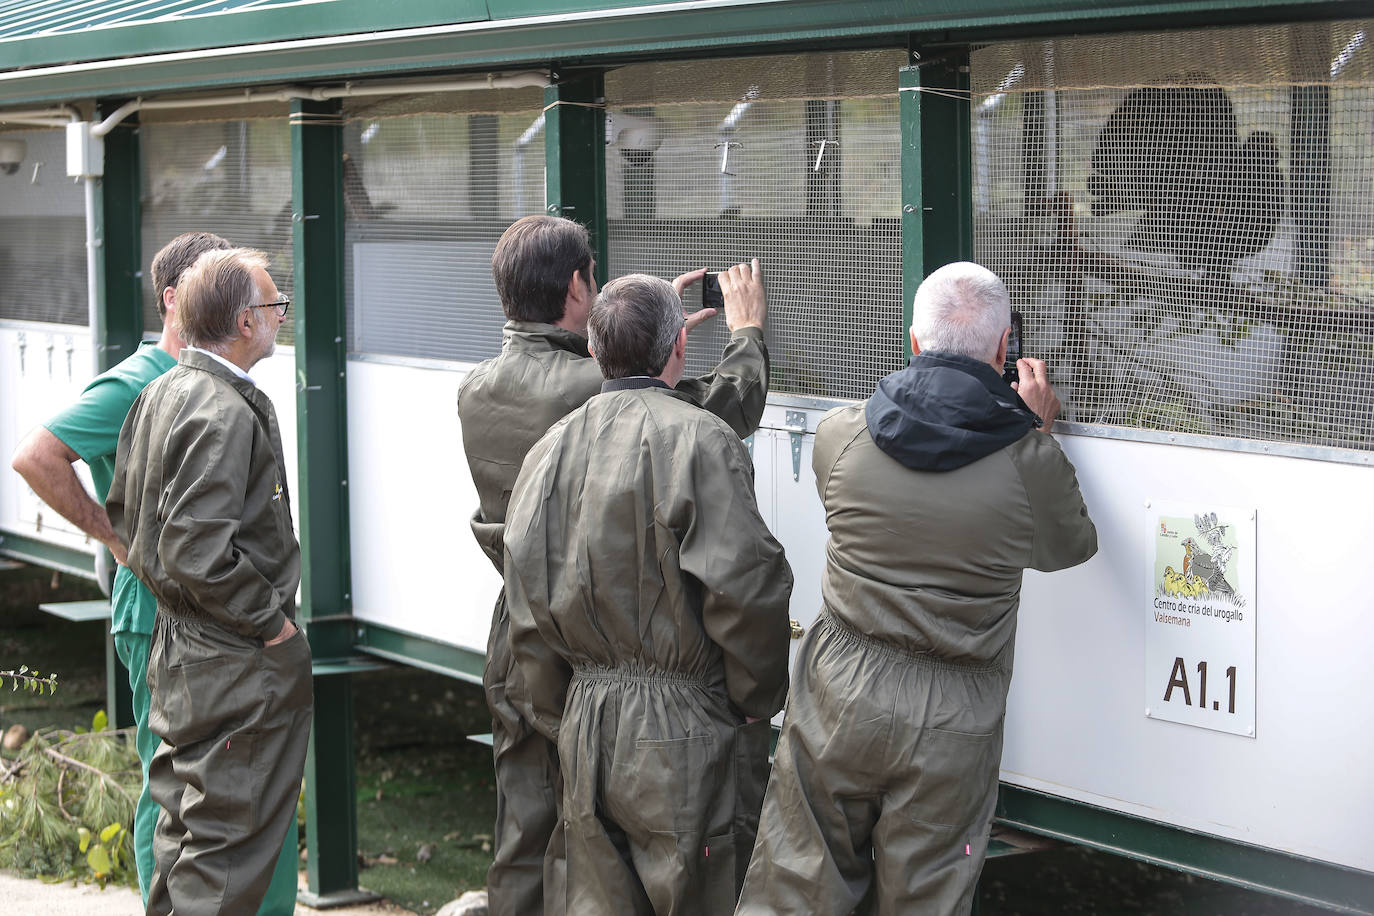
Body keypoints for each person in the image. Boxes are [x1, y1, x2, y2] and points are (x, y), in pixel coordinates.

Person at [736, 261, 1098, 916]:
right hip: (953, 719)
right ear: (1004, 348)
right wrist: (1035, 429)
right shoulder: (1028, 464)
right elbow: (1067, 546)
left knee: (796, 884)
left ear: (913, 341)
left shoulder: (841, 435)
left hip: (838, 690)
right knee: (927, 896)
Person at [456, 214, 772, 916]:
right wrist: (742, 334)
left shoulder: (477, 386)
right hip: (602, 633)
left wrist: (636, 324)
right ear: (577, 286)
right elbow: (711, 412)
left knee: (531, 831)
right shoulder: (586, 390)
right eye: (595, 280)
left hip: (523, 630)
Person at [9, 232, 301, 914]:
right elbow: (35, 456)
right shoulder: (141, 385)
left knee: (221, 789)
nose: (274, 312)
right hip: (171, 616)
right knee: (176, 787)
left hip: (203, 615)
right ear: (180, 299)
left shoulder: (191, 387)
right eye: (264, 301)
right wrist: (121, 545)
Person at [106, 248, 310, 916]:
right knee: (225, 846)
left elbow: (124, 514)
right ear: (245, 322)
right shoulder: (222, 408)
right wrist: (273, 627)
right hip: (232, 657)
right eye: (276, 305)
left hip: (181, 647)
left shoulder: (162, 390)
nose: (282, 316)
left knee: (186, 832)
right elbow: (197, 548)